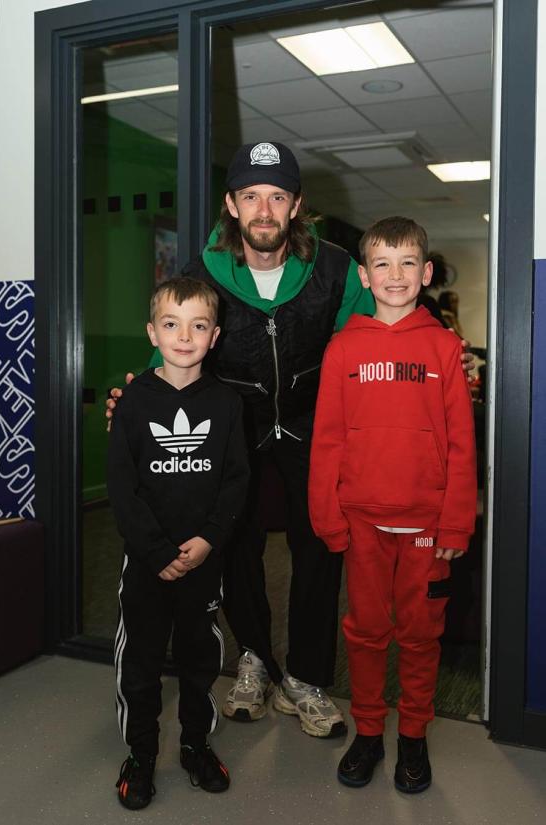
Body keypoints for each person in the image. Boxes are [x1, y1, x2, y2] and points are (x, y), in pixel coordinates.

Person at [106, 141, 475, 740]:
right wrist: (138, 395)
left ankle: (305, 677)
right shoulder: (202, 273)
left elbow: (378, 328)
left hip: (313, 425)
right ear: (231, 204)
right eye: (251, 196)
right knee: (236, 543)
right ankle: (255, 656)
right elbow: (173, 339)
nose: (264, 209)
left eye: (277, 196)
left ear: (297, 205)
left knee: (321, 548)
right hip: (232, 425)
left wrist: (426, 366)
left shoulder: (333, 267)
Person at [308, 216, 476, 793]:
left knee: (421, 634)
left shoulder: (444, 346)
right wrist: (326, 517)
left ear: (426, 273)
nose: (395, 274)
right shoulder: (343, 349)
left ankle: (413, 738)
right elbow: (327, 438)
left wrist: (457, 521)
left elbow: (460, 443)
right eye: (382, 263)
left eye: (408, 263)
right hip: (362, 523)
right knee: (365, 631)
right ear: (364, 274)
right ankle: (371, 733)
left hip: (427, 524)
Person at [108, 277, 249, 809]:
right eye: (171, 324)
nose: (184, 336)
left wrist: (210, 539)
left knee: (199, 661)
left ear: (214, 336)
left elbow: (237, 480)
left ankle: (195, 745)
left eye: (198, 325)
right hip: (147, 565)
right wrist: (156, 551)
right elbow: (122, 487)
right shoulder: (133, 401)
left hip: (202, 563)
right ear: (152, 332)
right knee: (141, 664)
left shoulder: (228, 403)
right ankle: (141, 755)